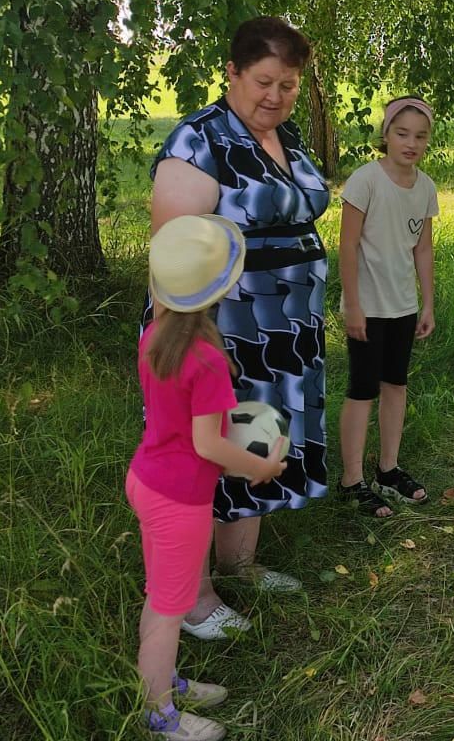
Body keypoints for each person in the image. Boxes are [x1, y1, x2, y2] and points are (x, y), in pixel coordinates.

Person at [149, 16, 329, 639]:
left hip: (287, 333)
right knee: (208, 454)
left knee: (259, 437)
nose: (275, 96)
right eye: (262, 82)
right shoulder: (199, 142)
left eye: (288, 84)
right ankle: (194, 599)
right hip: (223, 334)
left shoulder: (286, 135)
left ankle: (240, 566)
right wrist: (194, 343)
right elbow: (174, 258)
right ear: (231, 72)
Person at [128, 215, 286, 740]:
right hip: (180, 499)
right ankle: (159, 713)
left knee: (160, 594)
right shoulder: (206, 359)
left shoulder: (154, 336)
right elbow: (207, 444)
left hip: (147, 480)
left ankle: (163, 678)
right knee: (168, 608)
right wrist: (262, 467)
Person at [337, 96, 438, 515]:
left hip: (403, 305)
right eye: (402, 133)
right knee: (363, 389)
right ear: (386, 134)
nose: (410, 143)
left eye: (420, 136)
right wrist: (353, 306)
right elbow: (347, 245)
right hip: (368, 306)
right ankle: (351, 479)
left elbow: (424, 250)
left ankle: (388, 469)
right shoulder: (366, 181)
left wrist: (427, 303)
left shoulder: (426, 187)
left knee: (396, 384)